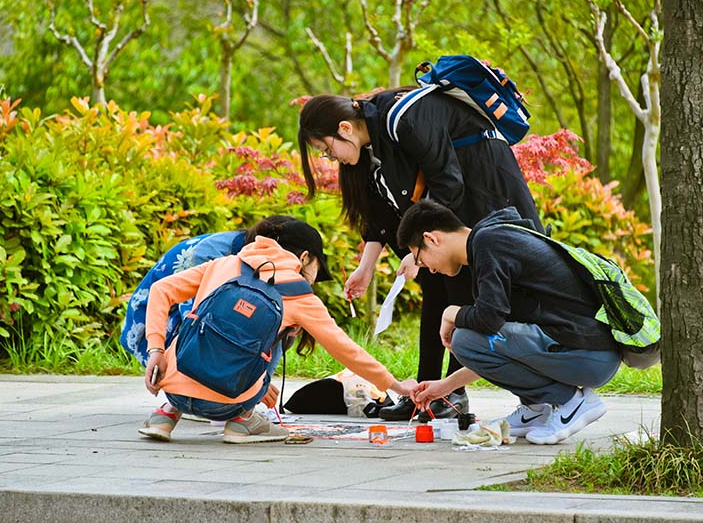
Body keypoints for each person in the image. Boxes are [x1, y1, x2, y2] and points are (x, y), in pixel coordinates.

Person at [297, 92, 543, 422]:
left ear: (345, 128)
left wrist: (419, 250)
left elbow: (448, 182)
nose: (331, 158)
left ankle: (453, 393)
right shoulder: (372, 149)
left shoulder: (402, 122)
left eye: (328, 150)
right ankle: (426, 391)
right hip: (447, 208)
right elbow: (381, 216)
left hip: (483, 187)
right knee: (434, 291)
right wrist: (367, 266)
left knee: (460, 288)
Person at [139, 216, 417, 443]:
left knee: (196, 319)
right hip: (228, 403)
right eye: (316, 269)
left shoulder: (224, 264)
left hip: (172, 387)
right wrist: (395, 385)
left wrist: (155, 349)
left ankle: (165, 416)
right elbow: (346, 350)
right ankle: (242, 421)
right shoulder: (298, 294)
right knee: (283, 331)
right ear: (305, 257)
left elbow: (161, 289)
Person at [398, 200, 621, 444]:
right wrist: (446, 386)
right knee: (469, 339)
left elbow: (487, 322)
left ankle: (572, 402)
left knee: (463, 338)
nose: (429, 269)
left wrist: (450, 312)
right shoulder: (493, 241)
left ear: (431, 239)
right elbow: (500, 347)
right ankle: (536, 408)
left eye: (420, 259)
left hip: (588, 352)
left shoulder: (488, 244)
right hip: (590, 353)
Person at [121, 216, 295, 366]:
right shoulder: (211, 253)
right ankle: (183, 393)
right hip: (150, 326)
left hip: (178, 319)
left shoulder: (252, 257)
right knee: (216, 327)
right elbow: (196, 324)